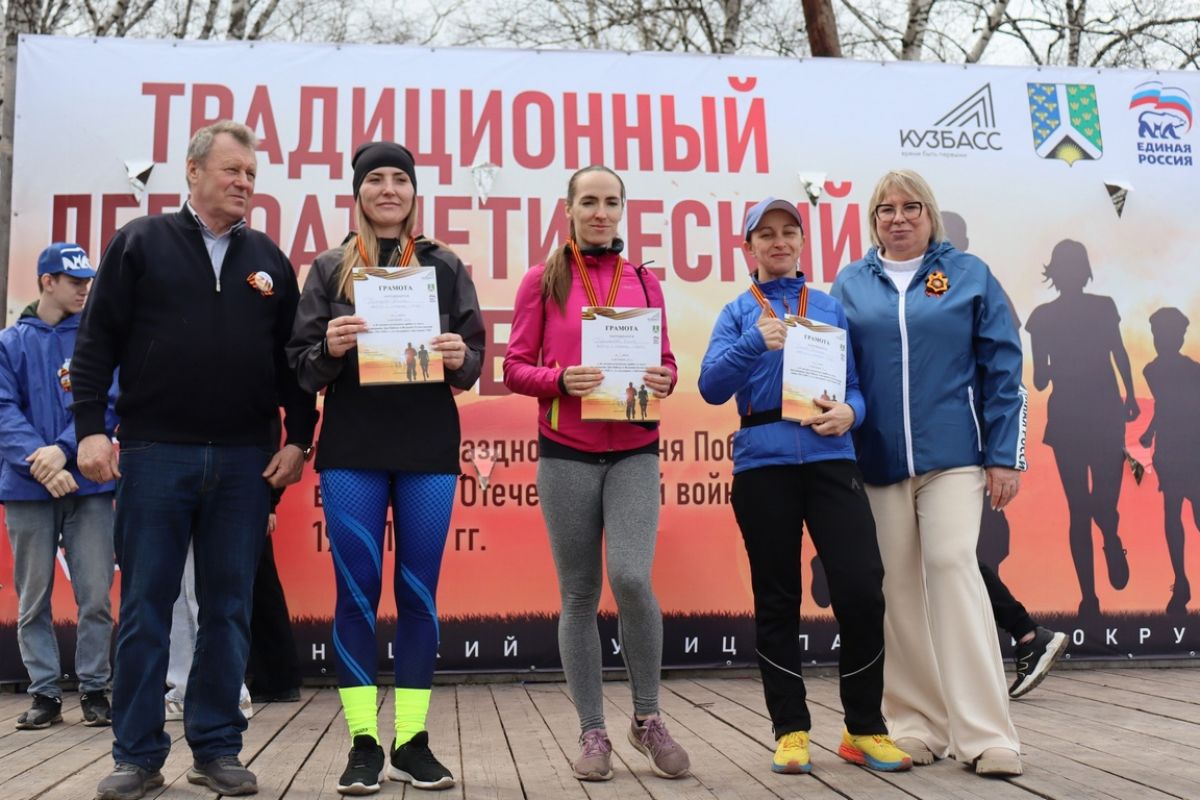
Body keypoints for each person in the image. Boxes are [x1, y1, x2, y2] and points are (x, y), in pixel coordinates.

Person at [71, 120, 318, 800]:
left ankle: (215, 748)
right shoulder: (140, 243)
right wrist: (91, 428)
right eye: (232, 171)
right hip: (153, 455)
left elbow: (291, 366)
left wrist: (299, 438)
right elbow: (96, 343)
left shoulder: (269, 259)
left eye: (252, 176)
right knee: (145, 607)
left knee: (228, 609)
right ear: (193, 172)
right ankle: (136, 755)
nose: (243, 184)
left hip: (244, 462)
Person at [288, 140, 484, 795]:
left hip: (427, 447)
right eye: (376, 179)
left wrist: (458, 354)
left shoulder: (445, 265)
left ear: (414, 193)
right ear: (359, 192)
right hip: (353, 450)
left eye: (400, 178)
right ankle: (364, 744)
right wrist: (329, 348)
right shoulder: (329, 268)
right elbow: (300, 363)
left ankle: (413, 740)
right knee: (356, 596)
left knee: (420, 597)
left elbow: (474, 361)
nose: (389, 189)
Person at [698, 198, 911, 775]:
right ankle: (790, 729)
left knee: (863, 586)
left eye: (788, 232)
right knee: (777, 599)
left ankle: (864, 728)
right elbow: (710, 388)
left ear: (800, 242)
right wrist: (752, 343)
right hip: (762, 465)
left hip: (830, 457)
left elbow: (856, 388)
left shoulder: (829, 309)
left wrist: (851, 413)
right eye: (764, 234)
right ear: (748, 248)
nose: (778, 242)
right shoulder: (739, 312)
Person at [832, 169, 1026, 777]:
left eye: (910, 206)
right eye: (884, 209)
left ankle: (988, 735)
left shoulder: (969, 275)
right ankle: (915, 724)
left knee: (950, 565)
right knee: (895, 588)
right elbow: (836, 369)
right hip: (878, 460)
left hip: (955, 457)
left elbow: (1004, 369)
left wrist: (1003, 455)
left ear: (930, 213)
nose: (897, 217)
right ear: (873, 221)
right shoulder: (849, 284)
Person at [503, 165, 689, 782]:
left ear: (623, 210)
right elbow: (514, 368)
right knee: (579, 594)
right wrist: (559, 380)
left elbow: (664, 361)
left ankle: (647, 719)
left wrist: (666, 376)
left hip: (635, 447)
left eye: (611, 202)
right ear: (569, 210)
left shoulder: (643, 279)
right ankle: (591, 732)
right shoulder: (543, 280)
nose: (600, 212)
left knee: (632, 579)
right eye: (589, 202)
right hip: (567, 453)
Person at [943, 211, 1068, 698]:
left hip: (968, 453)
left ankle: (1024, 637)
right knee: (949, 559)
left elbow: (1009, 380)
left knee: (954, 558)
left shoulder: (979, 284)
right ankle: (1026, 635)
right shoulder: (901, 293)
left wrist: (1007, 459)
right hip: (931, 453)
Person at [0, 243, 117, 731]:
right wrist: (44, 465)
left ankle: (94, 690)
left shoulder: (96, 340)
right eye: (75, 281)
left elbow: (110, 403)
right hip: (27, 489)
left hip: (88, 488)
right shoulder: (10, 342)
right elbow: (3, 411)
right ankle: (44, 693)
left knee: (95, 596)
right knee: (34, 599)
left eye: (89, 280)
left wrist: (64, 452)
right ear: (47, 281)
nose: (85, 288)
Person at [1026, 240, 1138, 617]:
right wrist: (1060, 366)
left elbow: (1118, 351)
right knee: (1080, 508)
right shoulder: (1041, 317)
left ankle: (1110, 536)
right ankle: (1088, 596)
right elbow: (1041, 378)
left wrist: (1132, 395)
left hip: (1104, 412)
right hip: (1071, 417)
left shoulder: (1103, 306)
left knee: (1102, 503)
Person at [1139, 307, 1200, 614]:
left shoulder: (1193, 370)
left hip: (1193, 449)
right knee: (1173, 514)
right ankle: (1181, 581)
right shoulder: (1152, 370)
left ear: (1179, 336)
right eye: (1157, 333)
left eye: (1168, 333)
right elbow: (1166, 406)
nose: (1161, 338)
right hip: (1171, 451)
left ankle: (1184, 583)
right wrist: (1150, 433)